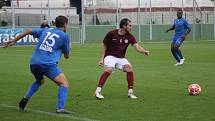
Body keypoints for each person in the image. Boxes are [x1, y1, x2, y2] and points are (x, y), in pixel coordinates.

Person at [4, 15, 71, 113]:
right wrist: (69, 46)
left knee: (39, 81)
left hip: (34, 63)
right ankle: (60, 108)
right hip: (47, 64)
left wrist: (14, 40)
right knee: (64, 83)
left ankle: (25, 98)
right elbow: (67, 56)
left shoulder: (46, 30)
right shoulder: (65, 36)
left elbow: (29, 30)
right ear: (65, 25)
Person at [94, 18, 150, 99]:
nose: (131, 27)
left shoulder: (130, 36)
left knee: (129, 68)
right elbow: (104, 46)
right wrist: (101, 59)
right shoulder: (112, 33)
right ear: (124, 26)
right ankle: (97, 92)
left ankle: (130, 93)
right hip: (110, 56)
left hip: (121, 58)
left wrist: (144, 51)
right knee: (109, 69)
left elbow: (137, 46)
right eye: (130, 26)